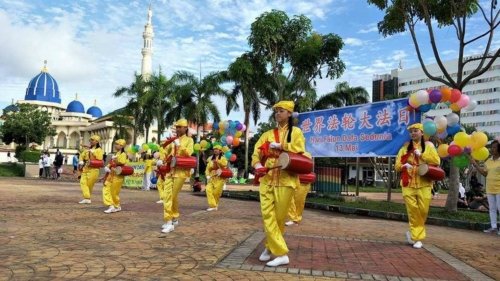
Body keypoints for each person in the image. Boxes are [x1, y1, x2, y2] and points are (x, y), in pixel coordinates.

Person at [252, 100, 305, 267]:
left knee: (279, 219)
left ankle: (269, 247)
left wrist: (282, 145)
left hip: (286, 179)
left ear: (289, 113)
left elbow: (300, 149)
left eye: (281, 111)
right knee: (268, 216)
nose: (277, 114)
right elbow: (256, 152)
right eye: (276, 111)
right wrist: (257, 165)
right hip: (267, 179)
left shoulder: (295, 132)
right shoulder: (267, 134)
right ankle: (282, 253)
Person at [395, 123, 440, 249]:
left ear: (421, 133)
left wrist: (421, 155)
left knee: (423, 210)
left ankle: (413, 231)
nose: (413, 133)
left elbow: (436, 161)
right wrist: (404, 166)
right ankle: (417, 237)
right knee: (413, 210)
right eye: (411, 131)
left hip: (424, 183)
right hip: (407, 184)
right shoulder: (404, 149)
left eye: (416, 131)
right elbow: (397, 166)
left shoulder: (429, 147)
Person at [161, 119, 194, 234]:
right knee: (168, 195)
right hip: (170, 170)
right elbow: (165, 151)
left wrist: (180, 146)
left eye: (180, 127)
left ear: (185, 128)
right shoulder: (173, 140)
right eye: (177, 127)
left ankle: (171, 220)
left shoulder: (189, 140)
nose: (178, 129)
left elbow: (189, 153)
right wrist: (161, 158)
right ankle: (171, 219)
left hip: (181, 172)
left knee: (172, 196)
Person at [470, 139, 499, 234]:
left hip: (499, 189)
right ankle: (493, 227)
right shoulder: (489, 161)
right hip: (490, 188)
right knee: (492, 208)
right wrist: (476, 164)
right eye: (491, 147)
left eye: (494, 147)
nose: (492, 149)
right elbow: (485, 173)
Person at [285, 152, 312, 226]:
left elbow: (309, 167)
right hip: (292, 180)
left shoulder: (307, 154)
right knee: (289, 199)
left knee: (299, 201)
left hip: (303, 181)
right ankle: (293, 218)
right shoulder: (290, 152)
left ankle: (296, 219)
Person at [102, 139, 128, 213]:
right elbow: (112, 162)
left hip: (118, 176)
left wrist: (115, 159)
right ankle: (112, 205)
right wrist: (107, 166)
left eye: (117, 144)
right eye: (115, 144)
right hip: (111, 175)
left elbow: (122, 163)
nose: (115, 145)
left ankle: (115, 205)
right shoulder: (116, 154)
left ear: (121, 146)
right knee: (106, 188)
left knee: (114, 192)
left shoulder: (123, 154)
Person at [78, 135, 104, 204]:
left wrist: (93, 152)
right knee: (82, 182)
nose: (91, 141)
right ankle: (87, 197)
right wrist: (81, 161)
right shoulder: (87, 149)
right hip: (86, 168)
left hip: (94, 169)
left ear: (97, 141)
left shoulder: (99, 150)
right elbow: (81, 155)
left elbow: (100, 158)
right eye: (90, 140)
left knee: (89, 185)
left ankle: (87, 198)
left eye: (93, 140)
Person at [205, 145, 228, 211]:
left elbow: (224, 165)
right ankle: (213, 205)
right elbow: (207, 168)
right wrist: (207, 175)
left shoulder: (223, 158)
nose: (215, 150)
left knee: (216, 193)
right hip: (212, 177)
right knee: (208, 189)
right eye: (214, 149)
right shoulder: (210, 158)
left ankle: (215, 205)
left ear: (220, 151)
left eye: (217, 149)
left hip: (220, 178)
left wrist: (217, 162)